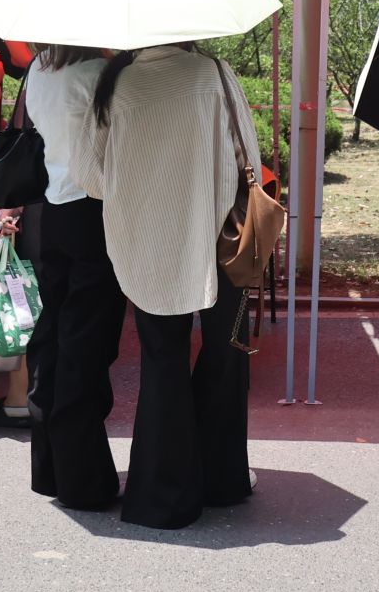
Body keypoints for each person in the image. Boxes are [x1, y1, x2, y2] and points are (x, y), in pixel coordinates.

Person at [87, 42, 259, 529]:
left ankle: (161, 497)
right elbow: (249, 155)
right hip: (220, 237)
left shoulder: (118, 84)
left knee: (163, 361)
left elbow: (91, 177)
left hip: (146, 241)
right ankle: (222, 480)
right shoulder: (214, 74)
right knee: (226, 354)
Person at [0, 44, 127, 508]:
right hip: (94, 211)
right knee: (87, 343)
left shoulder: (40, 69)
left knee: (53, 338)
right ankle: (83, 478)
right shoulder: (100, 74)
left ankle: (51, 468)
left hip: (52, 209)